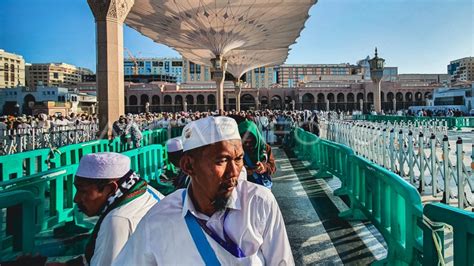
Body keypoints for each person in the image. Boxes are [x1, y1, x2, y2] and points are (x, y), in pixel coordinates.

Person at [113, 116, 293, 265]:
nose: (234, 172)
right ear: (188, 165)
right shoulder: (158, 221)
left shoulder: (259, 202)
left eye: (238, 159)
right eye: (221, 160)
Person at [49, 152, 163, 266]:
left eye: (83, 191)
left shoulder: (118, 220)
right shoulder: (143, 190)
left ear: (111, 188)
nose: (76, 199)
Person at [238, 120, 276, 188]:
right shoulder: (237, 150)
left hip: (262, 187)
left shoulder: (265, 148)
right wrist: (243, 172)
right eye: (244, 141)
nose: (247, 144)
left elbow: (273, 167)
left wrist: (264, 168)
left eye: (251, 141)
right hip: (243, 187)